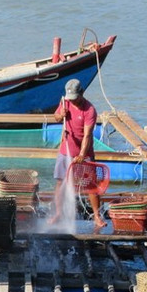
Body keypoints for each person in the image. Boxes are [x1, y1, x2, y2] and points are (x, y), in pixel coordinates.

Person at [49, 78, 104, 228]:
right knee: (60, 182)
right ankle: (58, 213)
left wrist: (82, 154)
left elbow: (87, 135)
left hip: (84, 153)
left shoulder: (89, 110)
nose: (72, 101)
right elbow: (56, 117)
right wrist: (61, 114)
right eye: (70, 98)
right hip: (65, 150)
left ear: (82, 93)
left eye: (75, 98)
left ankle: (97, 217)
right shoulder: (65, 102)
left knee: (91, 185)